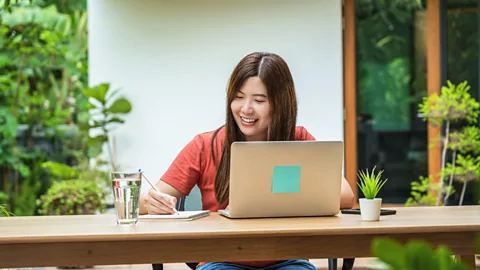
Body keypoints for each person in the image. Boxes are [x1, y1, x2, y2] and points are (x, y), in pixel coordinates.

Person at [139, 52, 355, 270]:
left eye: (259, 100)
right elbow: (143, 204)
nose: (246, 108)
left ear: (280, 103)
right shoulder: (204, 145)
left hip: (288, 261)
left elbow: (346, 196)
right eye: (239, 97)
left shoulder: (298, 140)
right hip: (221, 261)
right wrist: (152, 202)